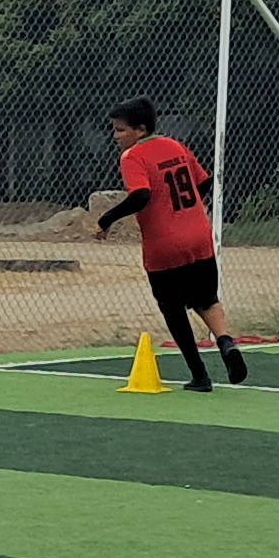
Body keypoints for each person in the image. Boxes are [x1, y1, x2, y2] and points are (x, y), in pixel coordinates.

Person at [94, 99, 240, 388]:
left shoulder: (132, 156)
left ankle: (199, 375)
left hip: (164, 245)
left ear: (140, 130)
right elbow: (203, 182)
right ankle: (226, 343)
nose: (115, 136)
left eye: (120, 130)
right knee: (206, 299)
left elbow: (141, 196)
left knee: (172, 308)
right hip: (199, 236)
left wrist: (106, 219)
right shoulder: (175, 146)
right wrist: (187, 211)